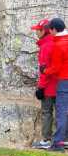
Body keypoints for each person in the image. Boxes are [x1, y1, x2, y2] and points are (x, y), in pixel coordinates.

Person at [31, 19, 57, 149]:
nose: (36, 32)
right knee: (61, 112)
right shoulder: (55, 42)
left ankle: (46, 140)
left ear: (44, 31)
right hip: (60, 85)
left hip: (48, 87)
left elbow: (44, 71)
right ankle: (63, 140)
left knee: (47, 112)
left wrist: (40, 88)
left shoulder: (46, 46)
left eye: (38, 30)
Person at [43, 18, 68, 152]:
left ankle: (58, 143)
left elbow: (56, 68)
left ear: (54, 29)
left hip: (64, 81)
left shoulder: (59, 45)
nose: (50, 33)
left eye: (50, 30)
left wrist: (45, 70)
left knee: (61, 112)